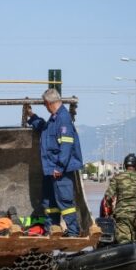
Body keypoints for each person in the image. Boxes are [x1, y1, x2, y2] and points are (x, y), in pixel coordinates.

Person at [26, 89, 83, 237]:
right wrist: (32, 117)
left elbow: (66, 146)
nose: (45, 107)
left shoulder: (63, 119)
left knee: (65, 202)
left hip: (59, 171)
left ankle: (72, 232)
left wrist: (60, 167)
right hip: (50, 170)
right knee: (50, 202)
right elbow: (44, 129)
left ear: (49, 103)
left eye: (45, 105)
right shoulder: (54, 119)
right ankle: (53, 229)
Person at [103, 153, 136, 244]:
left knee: (124, 241)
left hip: (121, 214)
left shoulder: (117, 178)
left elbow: (108, 197)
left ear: (125, 165)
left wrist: (110, 211)